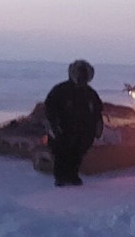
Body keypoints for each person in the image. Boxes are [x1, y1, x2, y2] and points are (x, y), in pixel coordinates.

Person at [44, 59, 104, 187]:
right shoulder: (60, 90)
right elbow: (50, 109)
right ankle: (61, 177)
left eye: (84, 74)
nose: (82, 77)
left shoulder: (91, 94)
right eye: (79, 74)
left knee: (77, 155)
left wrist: (98, 127)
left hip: (84, 133)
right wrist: (53, 126)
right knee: (61, 154)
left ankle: (73, 175)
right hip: (62, 131)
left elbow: (97, 111)